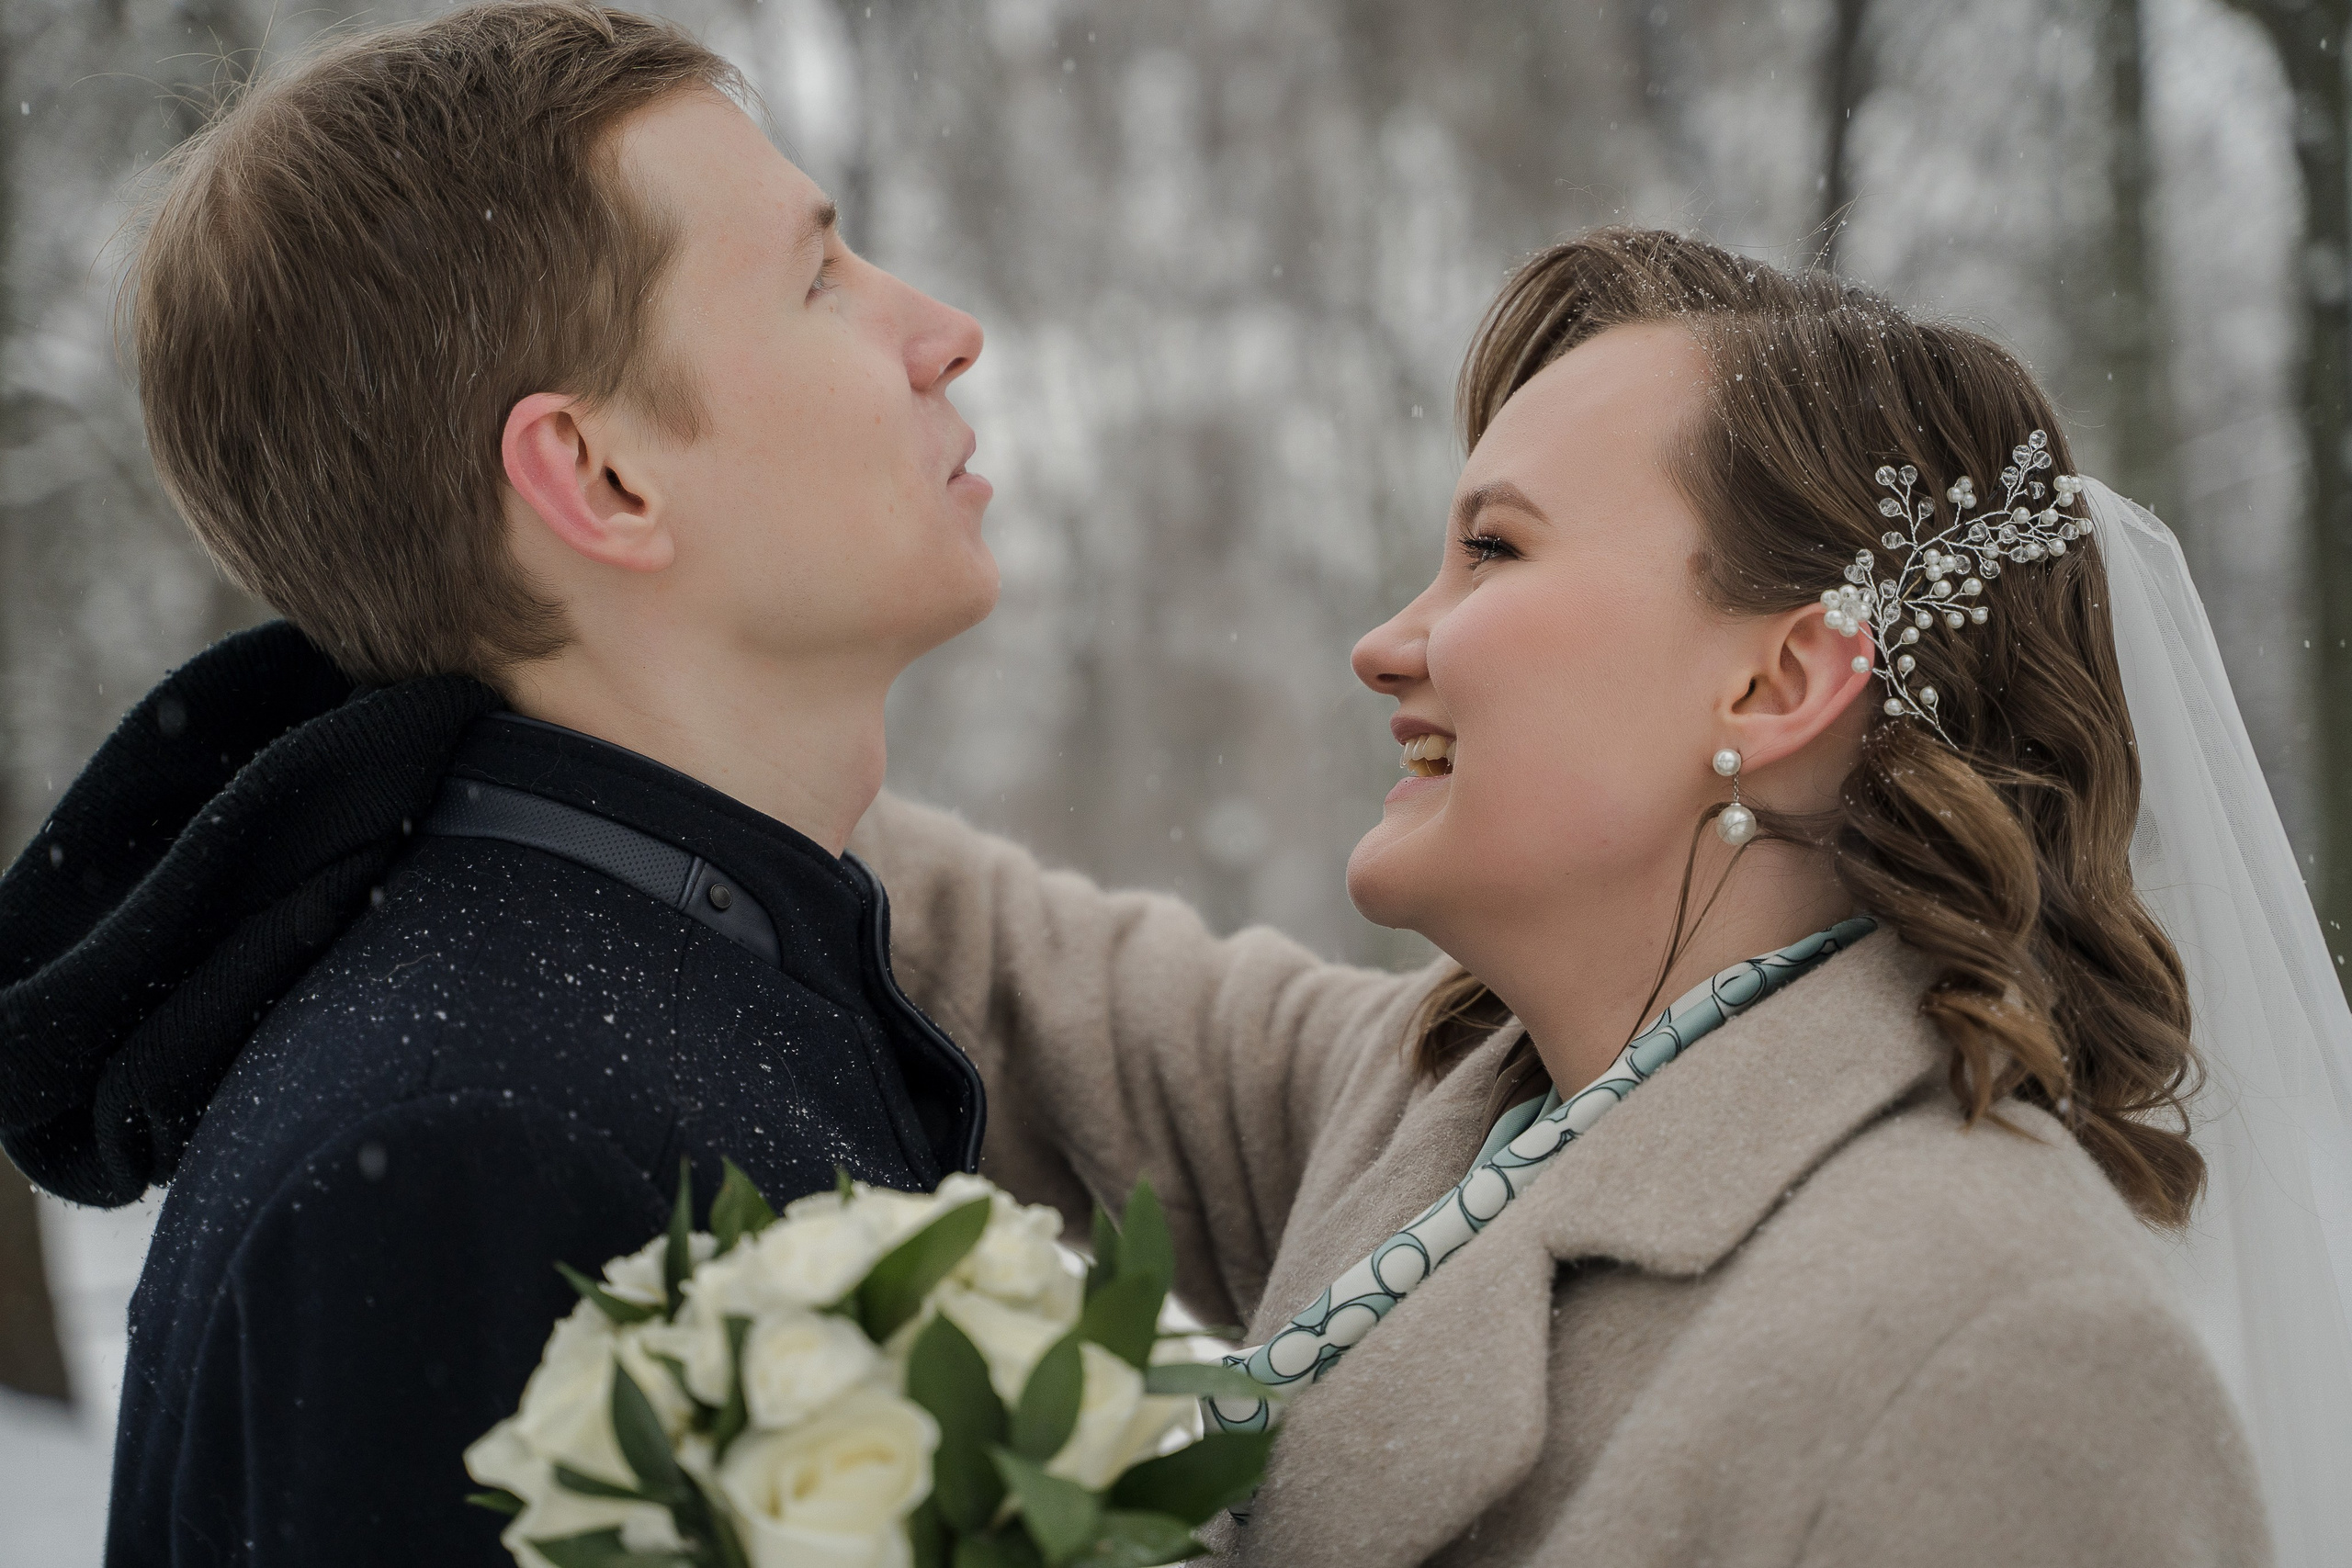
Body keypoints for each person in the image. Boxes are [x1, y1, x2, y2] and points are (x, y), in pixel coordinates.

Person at [847, 229, 2327, 1564]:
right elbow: (1005, 967)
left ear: (1779, 681)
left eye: (1493, 548)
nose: (1384, 642)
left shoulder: (2005, 1349)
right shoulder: (1442, 1106)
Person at [0, 4, 998, 1562]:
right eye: (817, 276)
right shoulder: (474, 1137)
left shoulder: (649, 982)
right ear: (600, 477)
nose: (943, 327)